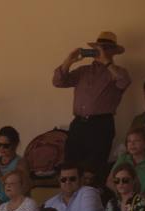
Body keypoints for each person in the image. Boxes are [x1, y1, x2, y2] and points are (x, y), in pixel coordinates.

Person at [52, 32, 131, 182]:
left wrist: (107, 62)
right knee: (71, 168)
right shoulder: (83, 71)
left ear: (113, 51)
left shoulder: (117, 72)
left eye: (106, 48)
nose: (101, 51)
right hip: (78, 124)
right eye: (99, 48)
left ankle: (92, 201)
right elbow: (58, 82)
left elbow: (124, 82)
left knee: (93, 171)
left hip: (101, 125)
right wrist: (68, 61)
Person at [108, 129, 145, 196]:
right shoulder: (123, 158)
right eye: (129, 141)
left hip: (141, 199)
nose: (132, 144)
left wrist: (139, 200)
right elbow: (109, 181)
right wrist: (121, 194)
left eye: (136, 141)